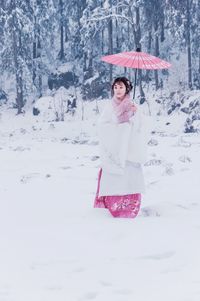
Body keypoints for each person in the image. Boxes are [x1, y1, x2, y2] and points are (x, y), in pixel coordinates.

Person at [93, 77, 148, 218]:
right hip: (114, 150)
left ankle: (130, 208)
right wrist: (119, 129)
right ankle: (114, 207)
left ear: (127, 89)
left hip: (129, 150)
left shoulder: (133, 105)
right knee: (114, 178)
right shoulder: (109, 107)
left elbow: (141, 127)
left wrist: (136, 115)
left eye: (121, 87)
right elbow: (102, 125)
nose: (118, 90)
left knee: (129, 177)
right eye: (116, 87)